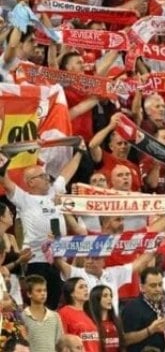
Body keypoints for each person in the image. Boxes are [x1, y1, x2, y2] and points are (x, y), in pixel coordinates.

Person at [0, 143, 85, 310]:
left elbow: (67, 172)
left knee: (53, 306)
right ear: (31, 182)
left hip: (58, 259)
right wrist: (7, 156)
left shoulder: (55, 192)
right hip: (36, 260)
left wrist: (80, 151)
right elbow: (4, 178)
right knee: (38, 305)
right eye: (42, 176)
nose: (48, 178)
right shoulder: (24, 199)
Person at [121, 267, 165, 352]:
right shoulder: (132, 307)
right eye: (153, 285)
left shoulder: (164, 305)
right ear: (142, 287)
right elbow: (125, 340)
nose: (158, 289)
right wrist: (151, 330)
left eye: (160, 284)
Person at [58, 278, 100, 352]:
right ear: (72, 293)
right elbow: (61, 341)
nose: (86, 289)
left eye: (86, 286)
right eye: (81, 287)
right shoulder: (64, 313)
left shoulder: (89, 313)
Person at [22, 275, 62, 351]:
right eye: (39, 291)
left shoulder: (55, 316)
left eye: (45, 290)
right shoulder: (23, 317)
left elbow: (59, 342)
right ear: (29, 294)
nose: (43, 293)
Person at [84, 285, 126, 352]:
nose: (109, 298)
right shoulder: (90, 323)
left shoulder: (116, 321)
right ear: (96, 299)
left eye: (110, 295)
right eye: (105, 296)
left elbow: (122, 345)